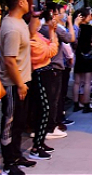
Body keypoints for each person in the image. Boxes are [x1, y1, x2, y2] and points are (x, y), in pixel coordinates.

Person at [0, 0, 35, 175]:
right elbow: (9, 60)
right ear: (20, 2)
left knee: (20, 121)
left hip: (23, 81)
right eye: (27, 0)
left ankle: (16, 153)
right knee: (10, 122)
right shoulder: (11, 27)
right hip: (14, 84)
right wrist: (20, 84)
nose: (29, 3)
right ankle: (8, 162)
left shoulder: (19, 21)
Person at [39, 3, 75, 139]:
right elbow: (70, 38)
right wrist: (71, 23)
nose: (61, 16)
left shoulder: (40, 28)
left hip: (46, 66)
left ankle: (46, 126)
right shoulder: (53, 29)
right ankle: (51, 127)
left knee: (49, 99)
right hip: (54, 65)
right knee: (53, 99)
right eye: (58, 13)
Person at [28, 11, 59, 160]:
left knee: (45, 109)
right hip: (39, 75)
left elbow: (51, 46)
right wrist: (53, 32)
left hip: (45, 73)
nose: (38, 22)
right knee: (44, 108)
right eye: (35, 20)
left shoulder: (37, 36)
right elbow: (51, 50)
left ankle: (40, 141)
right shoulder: (31, 41)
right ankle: (36, 146)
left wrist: (52, 35)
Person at [73, 8, 92, 113]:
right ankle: (86, 104)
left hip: (78, 55)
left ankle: (76, 104)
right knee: (87, 82)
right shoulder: (90, 29)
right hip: (88, 56)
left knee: (77, 82)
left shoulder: (76, 28)